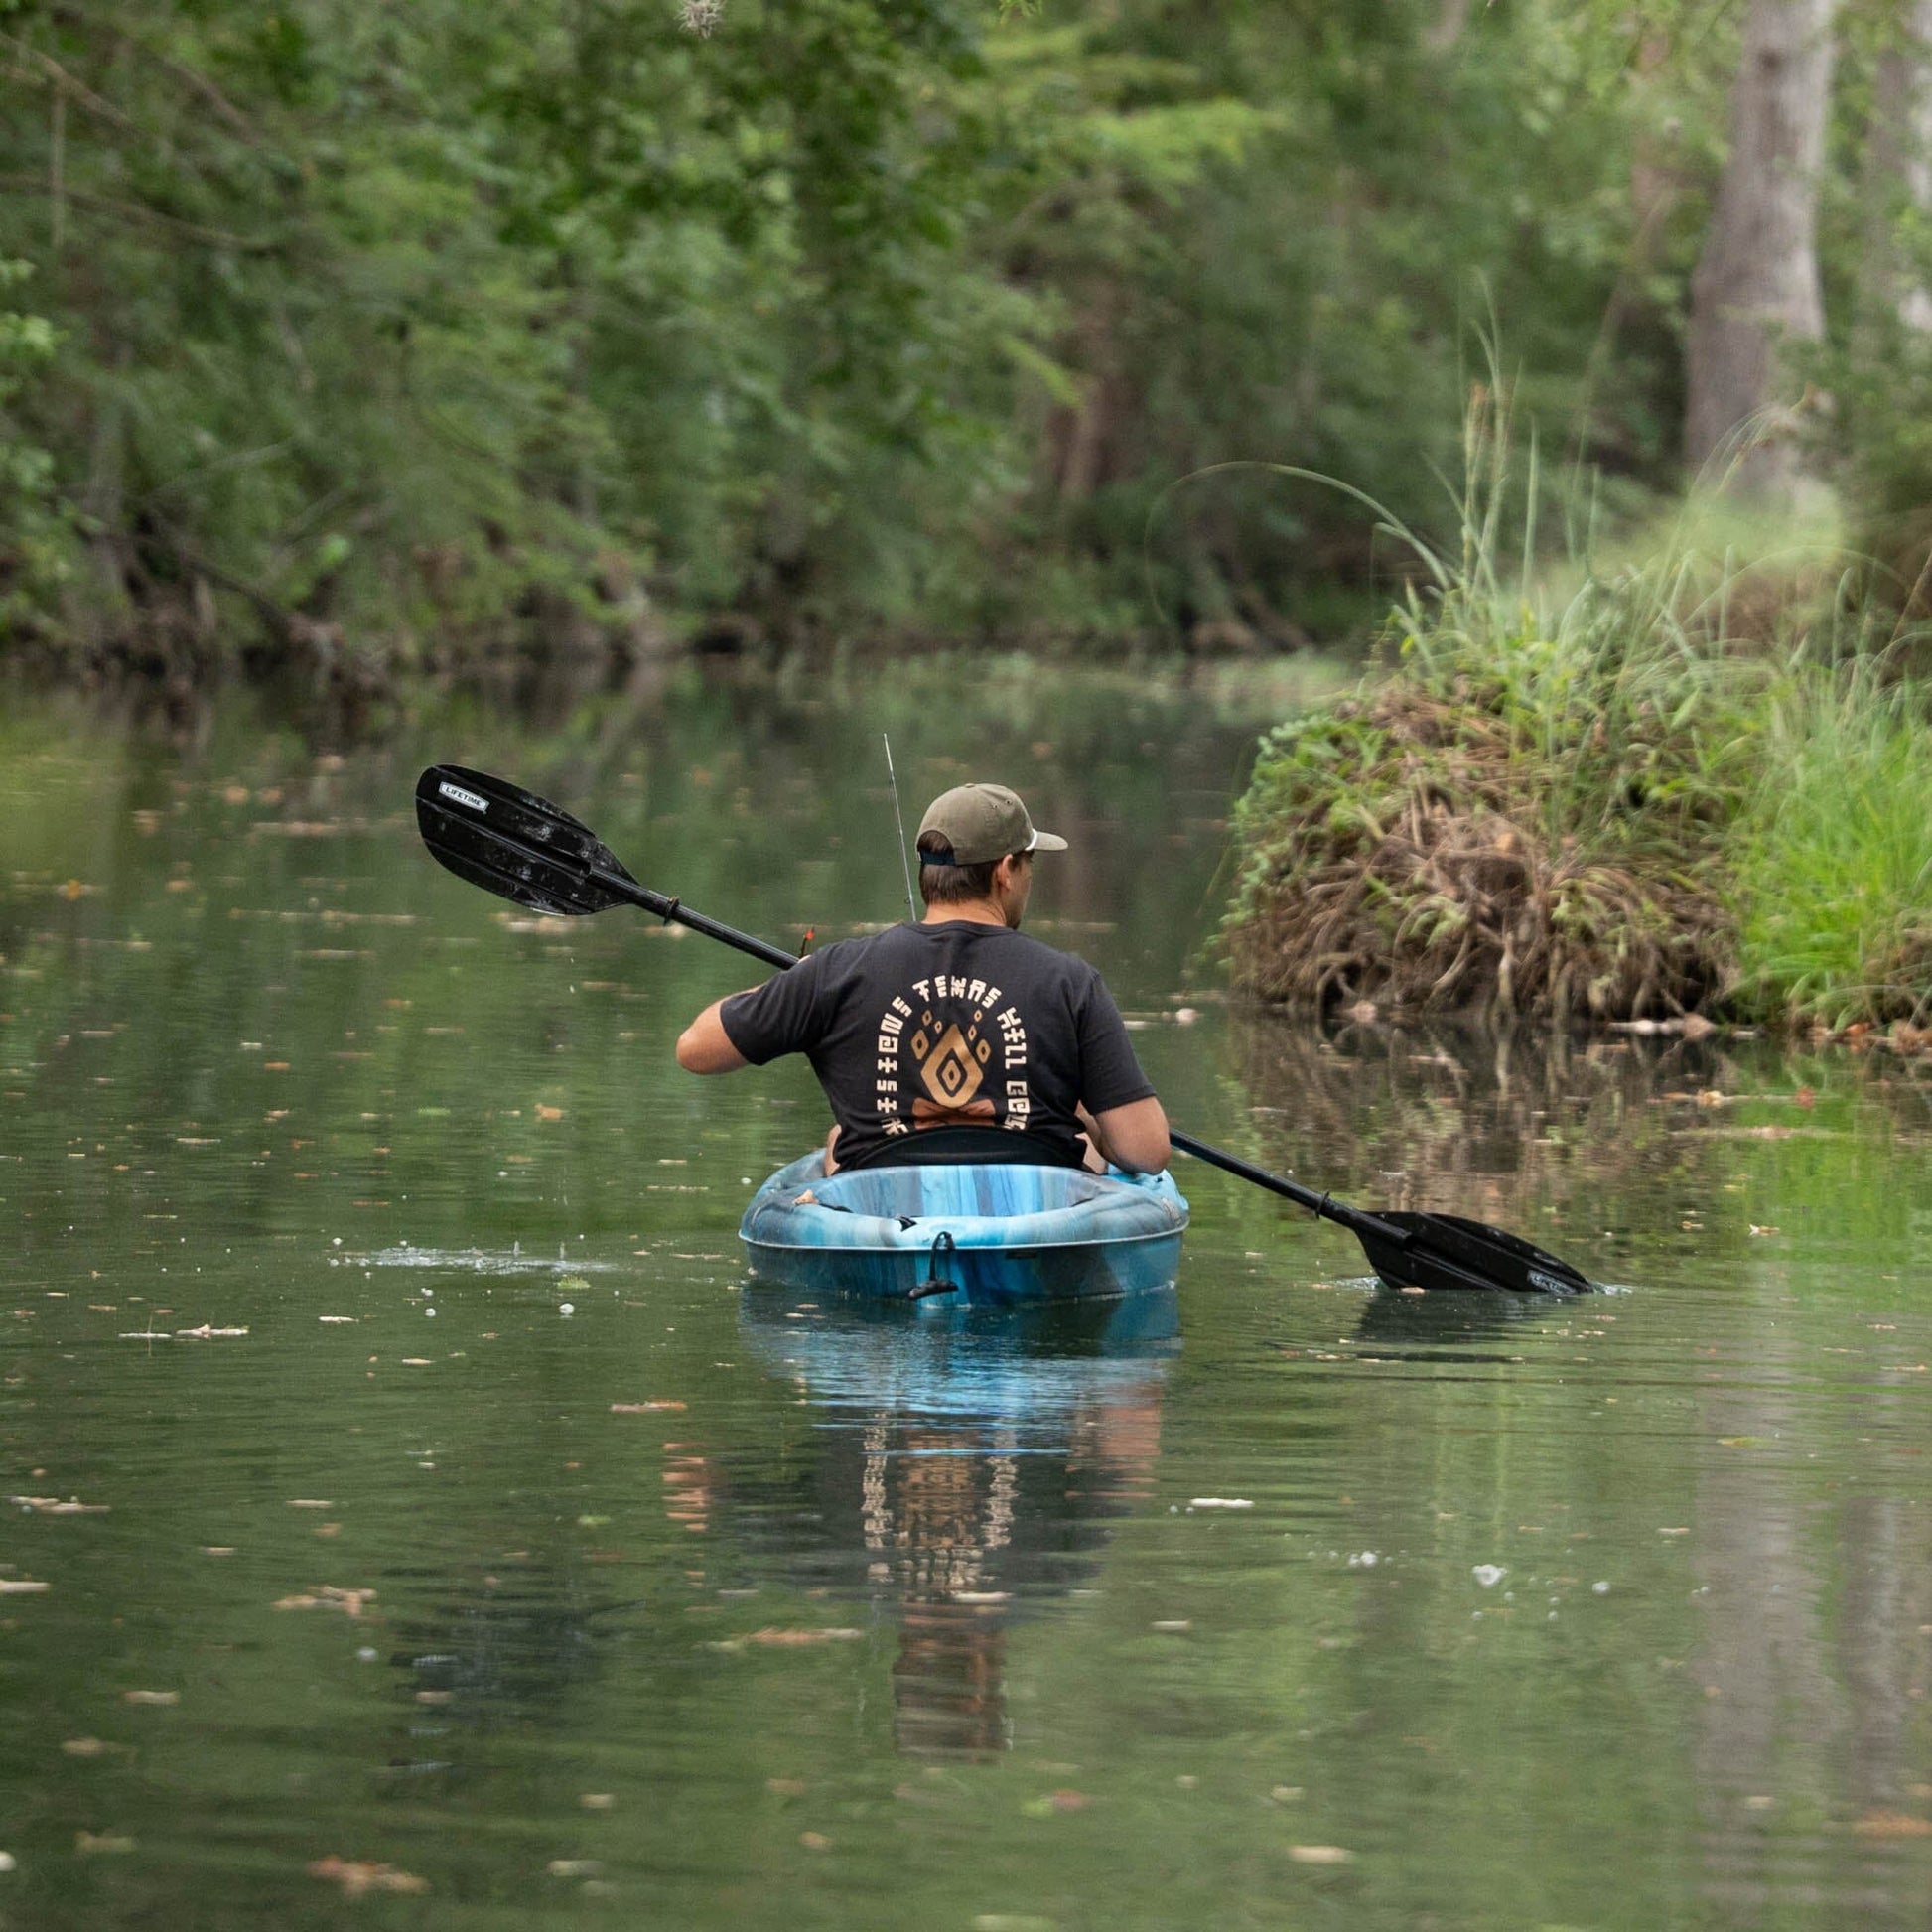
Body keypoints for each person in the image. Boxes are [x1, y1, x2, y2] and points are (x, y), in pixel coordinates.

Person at [675, 781, 1170, 1175]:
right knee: (1089, 1150)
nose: (1028, 879)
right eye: (1028, 864)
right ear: (1004, 871)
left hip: (885, 1209)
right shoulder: (1072, 983)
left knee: (837, 1143)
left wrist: (794, 984)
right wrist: (1083, 1116)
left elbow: (695, 1050)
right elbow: (1147, 1152)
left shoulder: (834, 972)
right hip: (1030, 1208)